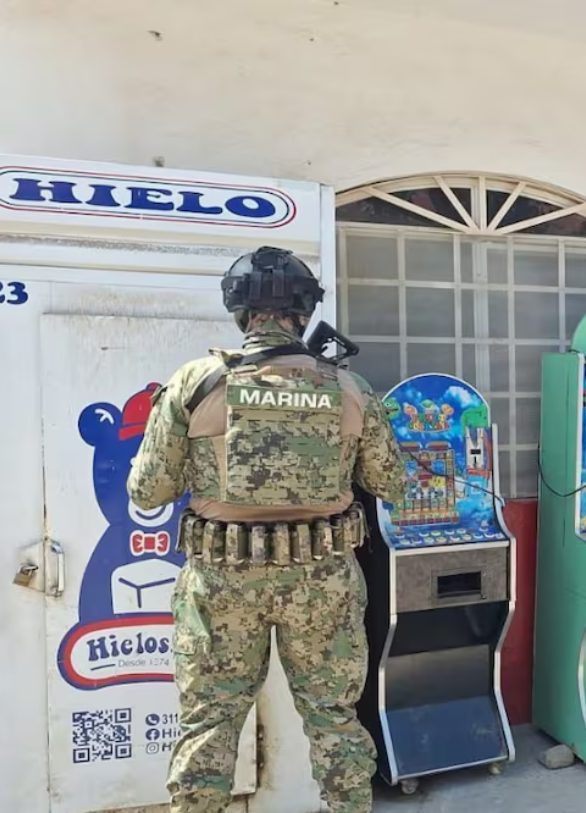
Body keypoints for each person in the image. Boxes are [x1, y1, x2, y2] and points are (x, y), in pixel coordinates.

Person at [128, 246, 407, 813]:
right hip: (322, 580)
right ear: (304, 311)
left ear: (238, 309)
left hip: (222, 582)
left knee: (209, 723)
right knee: (334, 720)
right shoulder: (350, 389)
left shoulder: (197, 383)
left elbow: (147, 491)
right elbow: (391, 483)